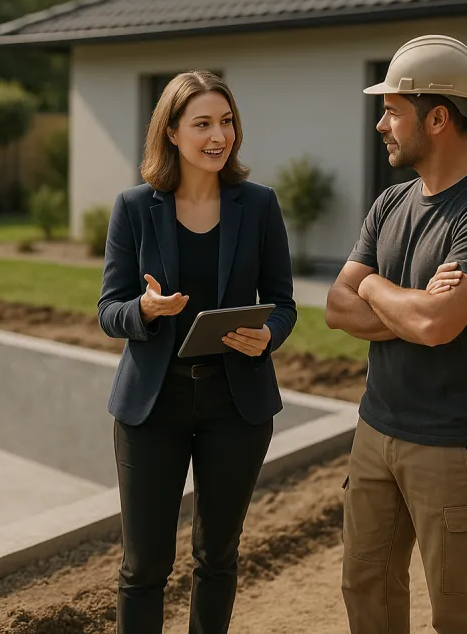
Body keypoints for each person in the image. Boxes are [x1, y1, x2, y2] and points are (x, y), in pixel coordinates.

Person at [326, 34, 467, 634]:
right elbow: (337, 308)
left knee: (459, 611)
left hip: (453, 445)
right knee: (367, 592)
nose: (381, 123)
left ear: (438, 117)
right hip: (376, 431)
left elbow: (436, 326)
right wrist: (398, 304)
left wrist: (374, 290)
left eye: (393, 110)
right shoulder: (390, 204)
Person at [97, 70, 297, 633]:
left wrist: (269, 334)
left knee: (217, 557)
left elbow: (282, 303)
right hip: (151, 408)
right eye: (203, 123)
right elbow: (109, 310)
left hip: (237, 407)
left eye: (227, 122)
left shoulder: (258, 206)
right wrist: (145, 311)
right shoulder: (135, 207)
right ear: (172, 133)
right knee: (145, 566)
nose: (219, 135)